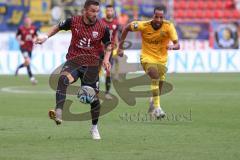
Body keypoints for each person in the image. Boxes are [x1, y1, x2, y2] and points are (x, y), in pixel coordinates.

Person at [35, 0, 112, 140]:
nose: (96, 14)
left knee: (93, 100)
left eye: (97, 11)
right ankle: (59, 112)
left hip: (91, 66)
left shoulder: (102, 27)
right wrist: (45, 37)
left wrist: (106, 59)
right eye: (93, 11)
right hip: (74, 61)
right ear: (85, 10)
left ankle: (94, 128)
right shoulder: (73, 21)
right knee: (63, 79)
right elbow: (57, 27)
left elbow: (108, 45)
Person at [117, 5, 180, 119]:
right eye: (156, 17)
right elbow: (126, 28)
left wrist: (173, 46)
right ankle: (158, 108)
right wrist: (121, 47)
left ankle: (153, 102)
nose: (158, 20)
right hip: (146, 57)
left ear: (164, 17)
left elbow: (177, 44)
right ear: (153, 16)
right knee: (154, 75)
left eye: (161, 17)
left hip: (162, 59)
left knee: (159, 82)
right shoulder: (143, 25)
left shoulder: (169, 26)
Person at [100, 4, 120, 100]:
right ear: (105, 12)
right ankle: (94, 91)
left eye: (111, 11)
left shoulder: (116, 23)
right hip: (99, 49)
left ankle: (107, 93)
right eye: (107, 11)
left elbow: (115, 36)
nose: (109, 12)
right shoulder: (100, 22)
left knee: (108, 71)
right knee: (95, 71)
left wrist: (118, 47)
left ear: (113, 12)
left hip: (110, 50)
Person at [15, 17, 38, 85]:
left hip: (30, 48)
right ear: (24, 22)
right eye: (26, 21)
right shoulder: (21, 29)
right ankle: (32, 79)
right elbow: (16, 36)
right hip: (23, 47)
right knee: (27, 61)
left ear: (30, 22)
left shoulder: (33, 28)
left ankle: (18, 68)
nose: (28, 22)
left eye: (29, 21)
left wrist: (35, 39)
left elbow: (36, 36)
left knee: (27, 62)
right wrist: (20, 41)